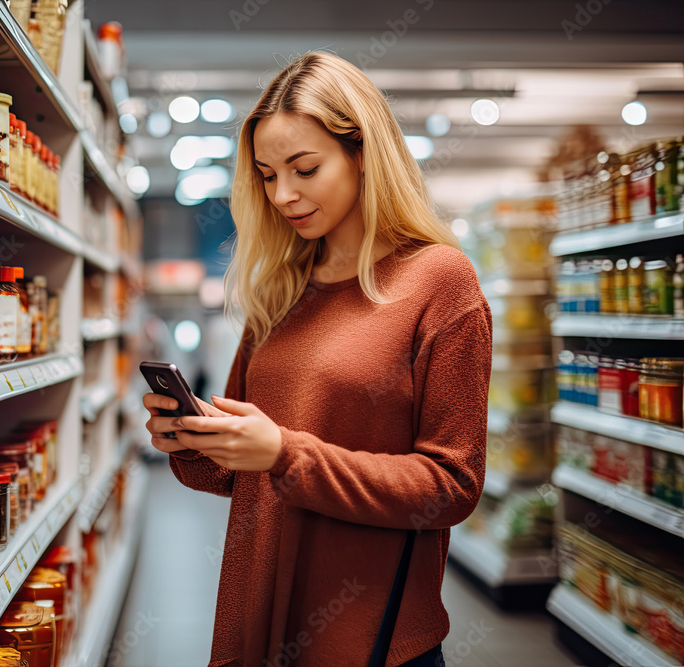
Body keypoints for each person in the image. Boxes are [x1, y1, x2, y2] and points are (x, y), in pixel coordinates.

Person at [143, 51, 492, 667]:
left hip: (367, 634)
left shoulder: (439, 281)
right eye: (267, 174)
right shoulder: (279, 288)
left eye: (305, 168)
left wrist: (284, 452)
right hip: (259, 614)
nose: (283, 194)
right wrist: (194, 440)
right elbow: (240, 473)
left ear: (363, 154)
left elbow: (452, 485)